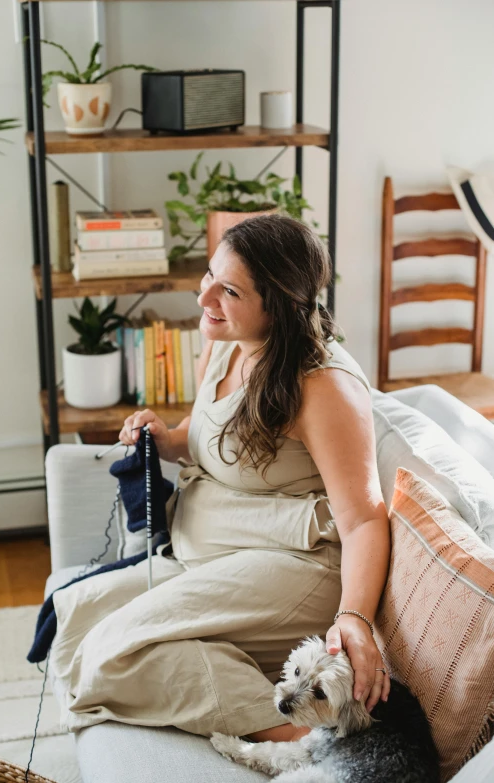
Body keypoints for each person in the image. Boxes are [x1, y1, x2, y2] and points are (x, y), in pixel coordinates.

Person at [50, 214, 390, 743]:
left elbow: (366, 518)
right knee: (75, 620)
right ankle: (228, 671)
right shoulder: (225, 338)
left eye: (229, 290)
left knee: (108, 655)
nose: (205, 297)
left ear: (276, 306)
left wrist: (355, 617)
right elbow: (202, 432)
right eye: (211, 275)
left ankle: (300, 740)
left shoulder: (323, 387)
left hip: (296, 566)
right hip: (208, 551)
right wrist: (164, 438)